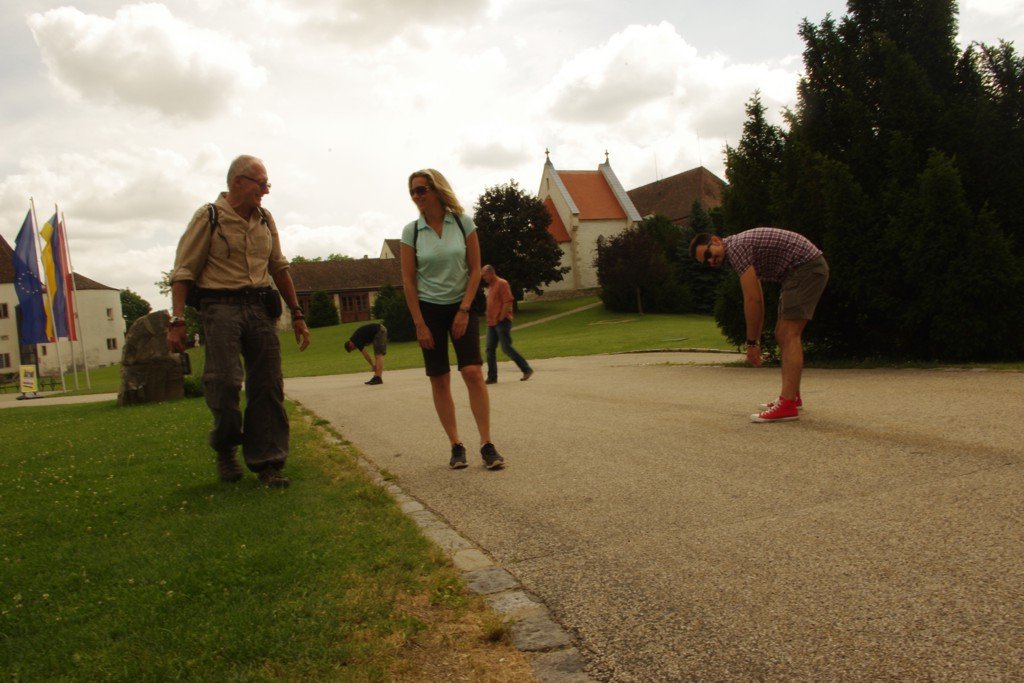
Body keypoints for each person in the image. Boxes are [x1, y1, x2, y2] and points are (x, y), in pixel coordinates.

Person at [167, 154, 310, 487]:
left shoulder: (265, 219)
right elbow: (184, 270)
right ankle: (226, 448)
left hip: (260, 307)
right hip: (220, 308)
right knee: (225, 381)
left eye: (267, 184)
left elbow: (279, 267)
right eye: (261, 184)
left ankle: (268, 464)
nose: (266, 191)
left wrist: (298, 314)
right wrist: (177, 320)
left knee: (268, 385)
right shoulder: (210, 216)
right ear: (238, 182)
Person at [400, 168, 504, 470]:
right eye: (413, 192)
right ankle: (456, 445)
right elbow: (408, 280)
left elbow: (475, 270)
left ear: (436, 189)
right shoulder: (412, 231)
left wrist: (464, 309)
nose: (417, 196)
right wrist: (419, 323)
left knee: (472, 371)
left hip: (462, 304)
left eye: (422, 190)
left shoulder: (463, 222)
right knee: (440, 378)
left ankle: (486, 444)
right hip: (428, 309)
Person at [690, 227, 828, 423]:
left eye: (708, 254)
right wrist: (755, 340)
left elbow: (752, 300)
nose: (711, 262)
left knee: (789, 334)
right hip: (801, 270)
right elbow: (759, 298)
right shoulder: (737, 248)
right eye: (706, 261)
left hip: (805, 268)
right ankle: (791, 397)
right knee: (782, 333)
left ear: (716, 240)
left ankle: (788, 404)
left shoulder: (736, 248)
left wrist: (752, 343)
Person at [482, 264, 533, 384]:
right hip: (491, 323)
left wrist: (501, 317)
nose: (484, 278)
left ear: (491, 273)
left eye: (484, 276)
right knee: (489, 349)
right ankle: (492, 377)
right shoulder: (491, 286)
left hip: (501, 322)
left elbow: (508, 301)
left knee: (506, 348)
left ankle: (526, 369)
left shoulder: (502, 283)